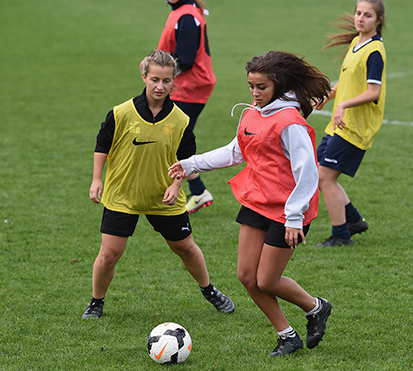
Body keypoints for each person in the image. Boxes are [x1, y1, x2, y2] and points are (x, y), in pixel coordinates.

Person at [169, 51, 333, 356]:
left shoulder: (290, 123)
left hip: (288, 210)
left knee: (267, 280)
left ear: (279, 86)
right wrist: (191, 164)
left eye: (261, 87)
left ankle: (316, 307)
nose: (255, 93)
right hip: (258, 200)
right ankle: (288, 336)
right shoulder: (251, 113)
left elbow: (308, 173)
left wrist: (294, 217)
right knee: (246, 276)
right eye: (251, 86)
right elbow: (235, 151)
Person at [81, 50, 234, 319]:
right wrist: (96, 179)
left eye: (166, 80)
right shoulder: (121, 113)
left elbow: (186, 160)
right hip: (122, 196)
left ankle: (209, 290)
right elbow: (102, 145)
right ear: (144, 77)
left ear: (174, 81)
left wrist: (176, 187)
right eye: (154, 79)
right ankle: (96, 302)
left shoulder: (181, 120)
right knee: (109, 254)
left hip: (164, 197)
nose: (160, 86)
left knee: (186, 248)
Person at [313, 0, 387, 247]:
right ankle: (353, 221)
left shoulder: (374, 51)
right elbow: (346, 80)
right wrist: (329, 96)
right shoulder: (357, 42)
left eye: (367, 15)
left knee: (325, 177)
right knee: (319, 173)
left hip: (355, 127)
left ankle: (341, 236)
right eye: (358, 13)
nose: (360, 18)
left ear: (378, 21)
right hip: (340, 125)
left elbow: (373, 91)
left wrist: (343, 106)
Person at [157, 0, 216, 213]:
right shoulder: (182, 12)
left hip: (189, 88)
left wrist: (155, 61)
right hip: (183, 87)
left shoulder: (187, 16)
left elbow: (186, 59)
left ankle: (190, 191)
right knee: (173, 139)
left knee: (173, 140)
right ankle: (197, 191)